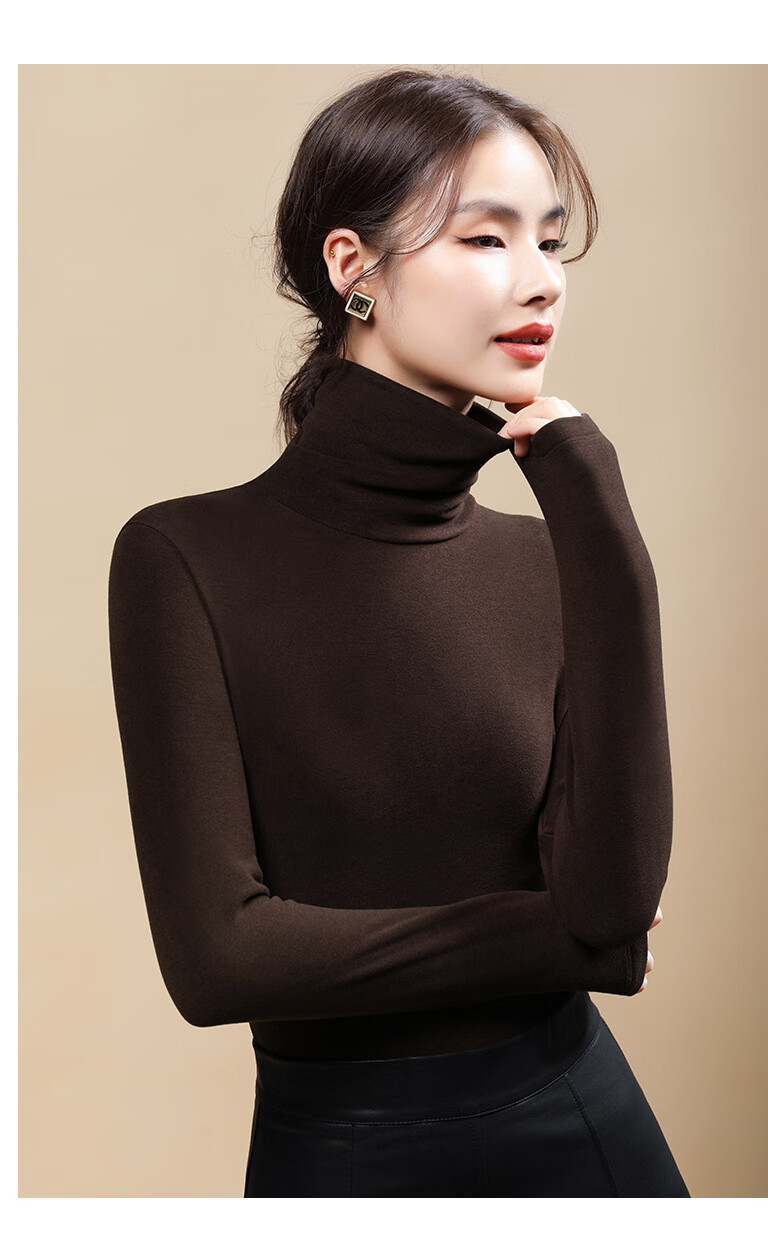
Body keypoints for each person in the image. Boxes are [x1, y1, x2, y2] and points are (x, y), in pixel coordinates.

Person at [108, 67, 691, 1197]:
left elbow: (615, 898)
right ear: (353, 267)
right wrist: (562, 940)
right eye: (486, 238)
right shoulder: (184, 557)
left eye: (550, 243)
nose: (539, 280)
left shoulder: (548, 553)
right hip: (347, 1150)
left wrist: (596, 509)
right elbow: (217, 959)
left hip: (590, 1126)